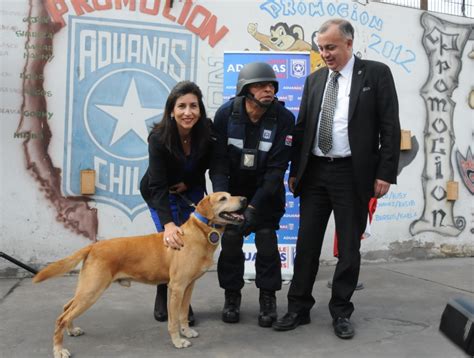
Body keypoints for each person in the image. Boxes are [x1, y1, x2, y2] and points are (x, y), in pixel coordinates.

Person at [272, 19, 400, 338]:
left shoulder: (375, 74)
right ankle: (298, 307)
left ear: (348, 44)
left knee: (349, 248)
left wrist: (385, 173)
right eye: (321, 48)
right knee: (307, 244)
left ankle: (341, 311)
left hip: (351, 173)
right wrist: (295, 172)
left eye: (330, 47)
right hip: (315, 171)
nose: (325, 54)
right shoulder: (315, 80)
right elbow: (302, 129)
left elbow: (390, 127)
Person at [210, 62, 295, 328]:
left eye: (271, 85)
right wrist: (223, 202)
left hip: (266, 193)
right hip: (234, 190)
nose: (268, 89)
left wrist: (254, 209)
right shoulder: (225, 115)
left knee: (267, 239)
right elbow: (218, 164)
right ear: (245, 90)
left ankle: (267, 298)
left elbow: (276, 171)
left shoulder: (284, 119)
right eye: (260, 85)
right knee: (232, 239)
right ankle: (231, 296)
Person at [140, 81, 213, 327]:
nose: (187, 112)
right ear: (171, 110)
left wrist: (188, 182)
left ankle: (180, 299)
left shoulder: (207, 132)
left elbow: (205, 164)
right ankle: (166, 296)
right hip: (159, 193)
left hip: (189, 190)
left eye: (193, 106)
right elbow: (158, 186)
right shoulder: (159, 138)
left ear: (200, 109)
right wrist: (168, 224)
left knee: (190, 247)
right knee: (172, 243)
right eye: (181, 106)